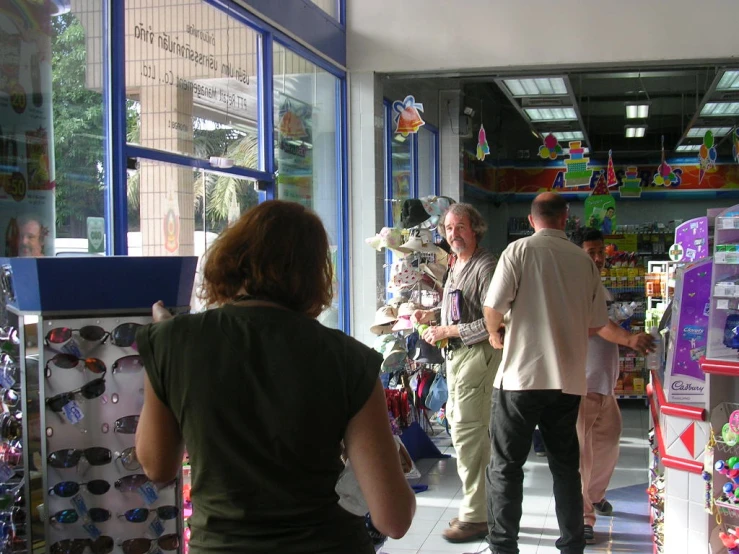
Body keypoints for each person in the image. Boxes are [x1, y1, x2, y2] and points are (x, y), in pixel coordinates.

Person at [134, 200, 416, 554]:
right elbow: (394, 518)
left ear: (232, 258)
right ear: (316, 275)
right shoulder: (350, 359)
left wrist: (163, 353)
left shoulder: (171, 342)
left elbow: (156, 465)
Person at [483, 192, 608, 554]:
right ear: (565, 218)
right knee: (566, 467)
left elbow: (493, 306)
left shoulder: (519, 251)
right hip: (568, 381)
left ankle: (503, 546)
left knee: (506, 466)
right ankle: (571, 544)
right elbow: (596, 322)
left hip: (521, 378)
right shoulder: (584, 262)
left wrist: (496, 333)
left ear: (530, 218)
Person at [412, 203, 500, 543]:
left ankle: (476, 516)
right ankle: (484, 508)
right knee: (468, 431)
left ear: (475, 229)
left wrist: (449, 332)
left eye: (460, 227)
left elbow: (497, 321)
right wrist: (432, 315)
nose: (453, 234)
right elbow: (457, 309)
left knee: (468, 434)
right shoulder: (456, 265)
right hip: (459, 359)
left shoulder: (485, 266)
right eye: (448, 229)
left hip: (478, 356)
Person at [572, 228, 654, 544]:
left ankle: (594, 496)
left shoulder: (599, 286)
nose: (596, 258)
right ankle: (581, 519)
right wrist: (630, 339)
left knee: (608, 440)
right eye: (589, 252)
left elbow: (607, 320)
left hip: (604, 385)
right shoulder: (577, 284)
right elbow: (599, 325)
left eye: (600, 252)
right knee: (581, 454)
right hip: (581, 383)